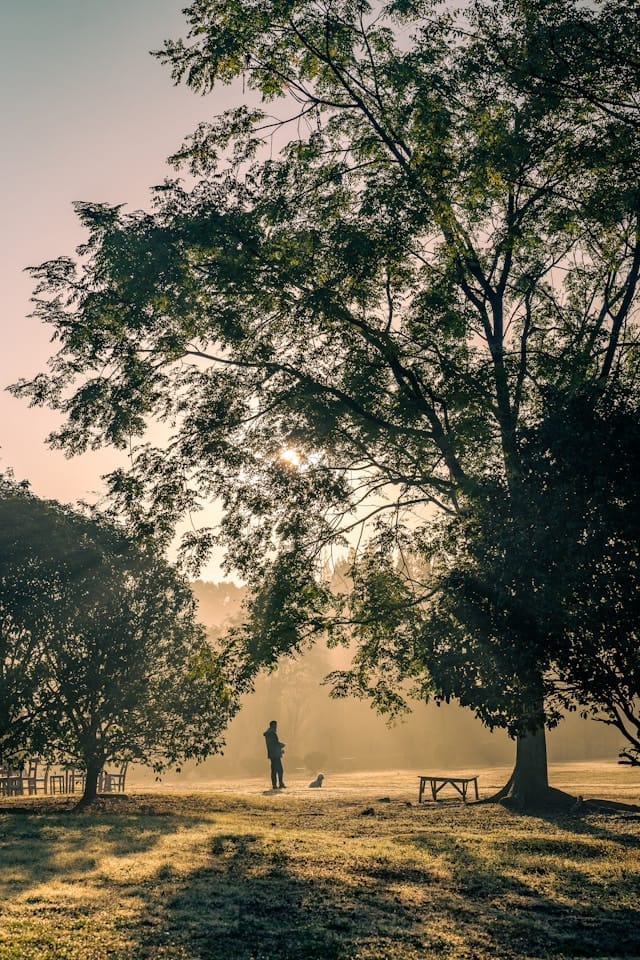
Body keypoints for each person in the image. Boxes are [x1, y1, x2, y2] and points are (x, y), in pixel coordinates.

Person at [263, 720, 286, 789]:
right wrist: (281, 745)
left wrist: (280, 750)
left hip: (272, 754)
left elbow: (272, 745)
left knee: (275, 770)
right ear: (273, 725)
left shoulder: (269, 734)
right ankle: (279, 784)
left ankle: (275, 784)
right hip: (275, 755)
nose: (276, 727)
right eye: (275, 725)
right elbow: (275, 744)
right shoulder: (272, 734)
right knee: (279, 770)